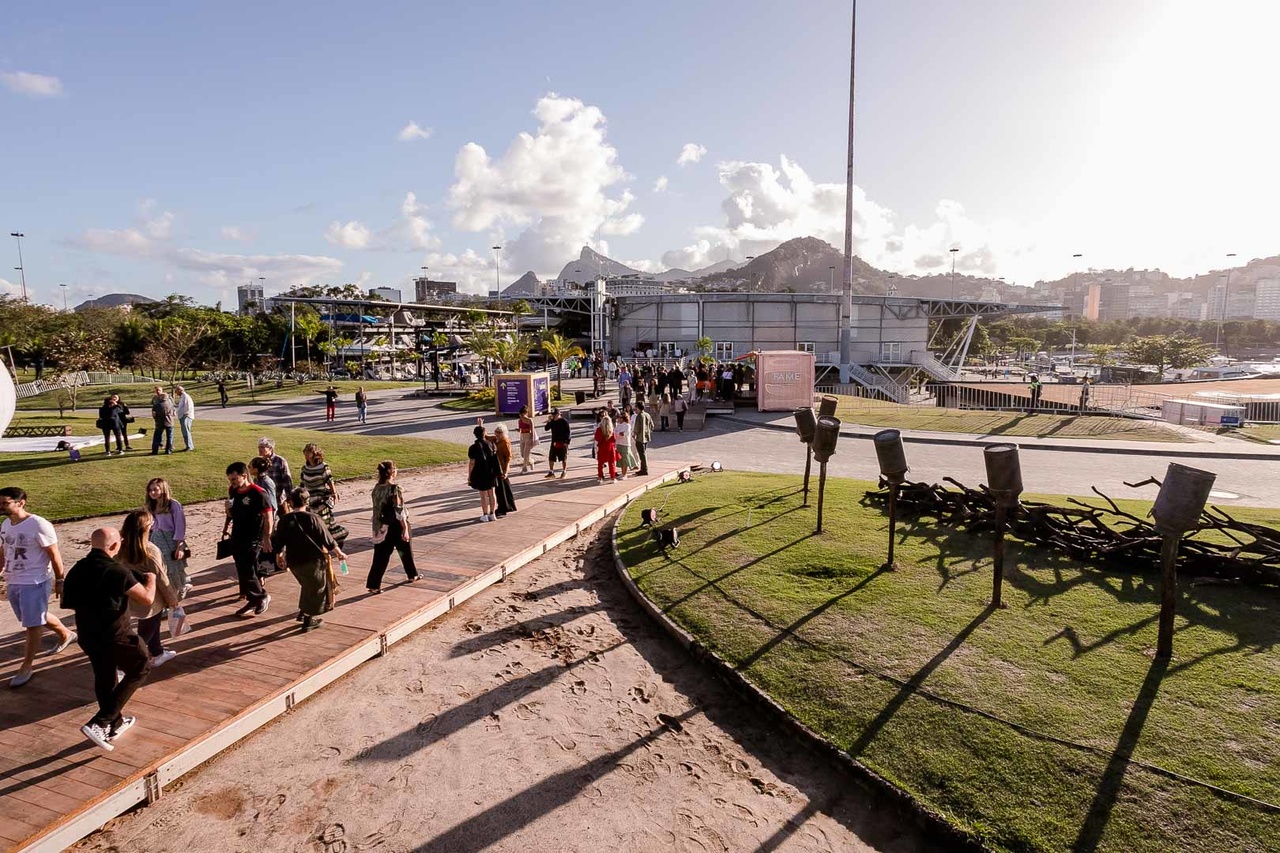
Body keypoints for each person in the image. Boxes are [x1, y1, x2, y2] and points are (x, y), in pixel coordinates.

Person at [61, 527, 156, 751]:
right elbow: (146, 599)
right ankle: (100, 723)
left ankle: (114, 724)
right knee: (141, 667)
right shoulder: (118, 571)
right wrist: (151, 579)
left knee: (104, 676)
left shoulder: (77, 569)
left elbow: (67, 601)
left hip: (87, 633)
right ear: (114, 546)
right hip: (116, 634)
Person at [0, 487, 75, 687]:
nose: (0, 507)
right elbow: (4, 550)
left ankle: (26, 666)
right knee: (33, 617)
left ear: (21, 502)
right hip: (13, 580)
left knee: (32, 624)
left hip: (35, 580)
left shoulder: (39, 525)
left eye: (5, 503)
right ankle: (66, 634)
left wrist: (60, 580)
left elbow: (54, 554)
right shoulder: (6, 523)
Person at [273, 488, 347, 631]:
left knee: (307, 584)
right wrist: (339, 553)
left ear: (291, 502)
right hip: (313, 561)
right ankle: (308, 619)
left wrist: (279, 556)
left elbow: (279, 542)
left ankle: (303, 611)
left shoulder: (284, 520)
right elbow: (328, 539)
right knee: (317, 588)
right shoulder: (313, 518)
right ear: (307, 502)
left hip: (294, 561)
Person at [118, 509, 179, 668]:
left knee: (150, 627)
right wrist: (173, 600)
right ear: (147, 528)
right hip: (151, 599)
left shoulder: (119, 548)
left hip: (130, 595)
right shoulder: (149, 551)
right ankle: (126, 666)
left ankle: (157, 652)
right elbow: (161, 579)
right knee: (145, 633)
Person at [224, 461, 273, 616]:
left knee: (248, 567)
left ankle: (261, 596)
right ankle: (253, 599)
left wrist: (267, 538)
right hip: (238, 534)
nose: (232, 483)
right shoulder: (233, 491)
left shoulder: (258, 493)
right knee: (241, 567)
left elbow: (268, 517)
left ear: (244, 476)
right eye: (230, 480)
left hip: (254, 537)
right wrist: (227, 510)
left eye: (234, 479)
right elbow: (232, 514)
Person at [367, 460, 419, 591]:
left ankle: (374, 585)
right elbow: (399, 510)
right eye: (395, 468)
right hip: (395, 524)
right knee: (405, 550)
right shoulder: (395, 489)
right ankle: (412, 575)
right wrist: (405, 528)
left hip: (381, 526)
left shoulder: (376, 488)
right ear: (390, 472)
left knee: (380, 556)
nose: (396, 470)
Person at [145, 478, 191, 602]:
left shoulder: (173, 505)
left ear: (163, 489)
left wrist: (179, 545)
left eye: (155, 489)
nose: (152, 492)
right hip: (155, 539)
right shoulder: (151, 506)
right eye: (150, 490)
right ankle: (173, 593)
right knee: (159, 569)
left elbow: (180, 525)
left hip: (170, 539)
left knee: (172, 568)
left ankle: (178, 591)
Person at [300, 443, 348, 545]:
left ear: (314, 453)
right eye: (305, 451)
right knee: (312, 522)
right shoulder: (305, 468)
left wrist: (334, 493)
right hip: (309, 499)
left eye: (308, 451)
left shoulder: (323, 466)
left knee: (324, 522)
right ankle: (319, 543)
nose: (306, 454)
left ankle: (331, 541)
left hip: (321, 499)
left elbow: (329, 480)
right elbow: (302, 484)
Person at [467, 426, 499, 522]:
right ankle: (492, 513)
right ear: (484, 433)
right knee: (492, 493)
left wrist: (469, 476)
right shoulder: (491, 444)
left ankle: (485, 514)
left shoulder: (473, 447)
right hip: (491, 471)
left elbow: (472, 462)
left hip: (480, 471)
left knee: (483, 494)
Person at [257, 438, 293, 512]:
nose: (260, 449)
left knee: (285, 520)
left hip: (279, 499)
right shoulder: (259, 461)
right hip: (265, 500)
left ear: (270, 448)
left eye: (262, 447)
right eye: (259, 447)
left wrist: (289, 497)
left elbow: (287, 481)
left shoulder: (280, 461)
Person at [491, 423, 517, 517]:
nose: (497, 434)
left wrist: (506, 471)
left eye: (499, 433)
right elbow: (486, 436)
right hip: (497, 467)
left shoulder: (505, 443)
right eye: (496, 432)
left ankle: (503, 508)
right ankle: (504, 507)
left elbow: (508, 458)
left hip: (502, 468)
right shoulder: (496, 440)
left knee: (502, 490)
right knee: (500, 490)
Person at [543, 408, 571, 479]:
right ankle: (551, 472)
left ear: (559, 414)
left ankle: (564, 471)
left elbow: (568, 432)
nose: (554, 416)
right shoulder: (552, 421)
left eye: (555, 415)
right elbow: (546, 428)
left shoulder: (564, 422)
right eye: (553, 415)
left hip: (562, 442)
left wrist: (567, 442)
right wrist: (549, 421)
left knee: (563, 458)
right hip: (554, 442)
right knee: (551, 457)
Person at [150, 386, 175, 455]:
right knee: (170, 436)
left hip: (159, 422)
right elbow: (173, 411)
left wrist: (155, 418)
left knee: (156, 437)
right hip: (169, 422)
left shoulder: (157, 404)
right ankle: (168, 450)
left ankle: (155, 451)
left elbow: (154, 413)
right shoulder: (170, 404)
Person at [614, 406, 637, 480]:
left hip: (625, 444)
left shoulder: (627, 425)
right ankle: (622, 473)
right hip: (618, 443)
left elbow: (623, 434)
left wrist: (619, 434)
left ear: (623, 418)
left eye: (620, 417)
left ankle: (625, 474)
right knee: (620, 459)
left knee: (625, 459)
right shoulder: (618, 425)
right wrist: (618, 434)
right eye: (619, 417)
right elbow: (615, 433)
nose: (619, 419)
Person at [594, 414, 618, 484]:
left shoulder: (599, 429)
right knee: (612, 463)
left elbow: (597, 438)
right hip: (610, 448)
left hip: (602, 448)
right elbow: (614, 439)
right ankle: (612, 477)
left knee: (600, 464)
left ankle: (600, 477)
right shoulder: (611, 430)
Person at [634, 400, 655, 476]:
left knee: (642, 454)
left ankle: (644, 469)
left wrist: (634, 434)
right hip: (646, 437)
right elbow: (652, 425)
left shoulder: (639, 416)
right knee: (643, 453)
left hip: (640, 438)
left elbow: (637, 428)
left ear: (638, 408)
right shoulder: (647, 415)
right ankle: (643, 468)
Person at [174, 385, 196, 451]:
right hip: (182, 416)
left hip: (186, 417)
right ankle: (188, 445)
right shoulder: (182, 397)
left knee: (186, 432)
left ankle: (189, 446)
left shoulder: (185, 396)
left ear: (180, 390)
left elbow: (188, 406)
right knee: (184, 432)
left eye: (176, 391)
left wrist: (185, 415)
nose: (175, 392)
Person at [517, 406, 537, 473]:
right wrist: (518, 430)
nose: (521, 416)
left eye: (522, 414)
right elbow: (520, 429)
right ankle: (531, 461)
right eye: (520, 415)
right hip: (522, 436)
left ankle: (524, 468)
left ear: (525, 413)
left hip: (528, 436)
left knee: (526, 453)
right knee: (523, 454)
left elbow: (532, 430)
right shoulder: (519, 420)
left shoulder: (529, 420)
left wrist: (532, 439)